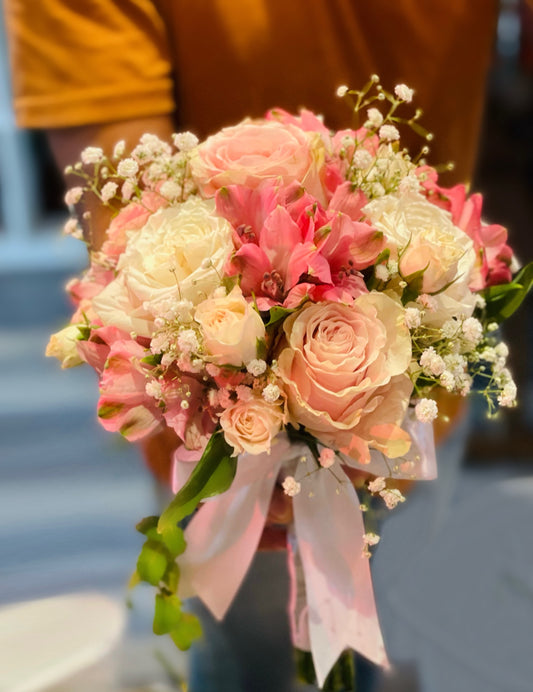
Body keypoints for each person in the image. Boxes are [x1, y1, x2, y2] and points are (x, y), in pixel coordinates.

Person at [2, 1, 502, 689]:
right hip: (231, 436)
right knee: (259, 665)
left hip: (431, 366)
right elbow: (133, 227)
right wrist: (253, 431)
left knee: (397, 637)